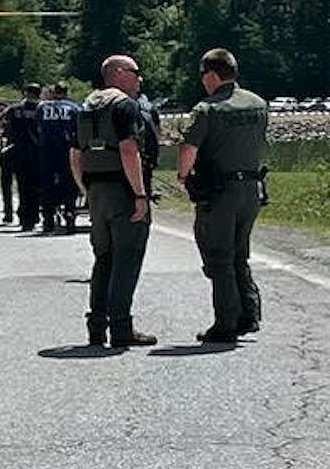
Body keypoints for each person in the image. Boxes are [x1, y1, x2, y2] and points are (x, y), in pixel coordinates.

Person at [177, 48, 268, 343]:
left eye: (203, 75)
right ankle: (248, 313)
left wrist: (182, 175)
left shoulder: (207, 109)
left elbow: (188, 149)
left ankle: (226, 322)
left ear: (213, 75)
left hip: (220, 193)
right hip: (251, 190)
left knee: (219, 257)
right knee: (240, 253)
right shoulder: (258, 104)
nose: (202, 81)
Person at [69, 55, 156, 347]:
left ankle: (96, 325)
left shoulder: (85, 106)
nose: (138, 78)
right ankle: (121, 327)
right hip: (123, 190)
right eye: (135, 72)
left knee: (103, 258)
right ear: (118, 73)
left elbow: (75, 155)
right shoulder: (124, 105)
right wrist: (140, 195)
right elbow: (129, 150)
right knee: (127, 258)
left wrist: (86, 189)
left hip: (96, 191)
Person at [0, 82, 41, 229]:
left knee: (13, 183)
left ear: (26, 93)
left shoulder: (13, 110)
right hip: (37, 152)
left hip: (16, 150)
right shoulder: (43, 109)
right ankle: (33, 215)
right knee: (34, 185)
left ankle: (11, 213)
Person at [36, 82, 80, 233]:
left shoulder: (42, 107)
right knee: (69, 183)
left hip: (47, 150)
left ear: (54, 92)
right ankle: (69, 214)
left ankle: (48, 218)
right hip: (66, 150)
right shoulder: (74, 108)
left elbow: (38, 127)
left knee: (46, 184)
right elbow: (78, 129)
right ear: (66, 92)